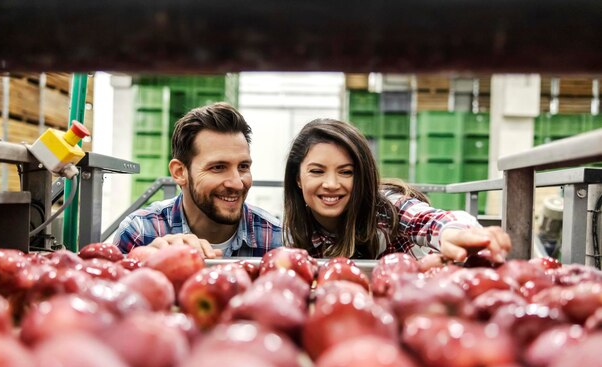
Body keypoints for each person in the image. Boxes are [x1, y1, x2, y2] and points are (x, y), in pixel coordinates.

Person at [283, 118, 511, 263]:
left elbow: (430, 221)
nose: (331, 184)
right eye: (317, 171)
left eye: (346, 172)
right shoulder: (297, 231)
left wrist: (456, 233)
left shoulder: (386, 210)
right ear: (298, 179)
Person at [114, 102, 283, 258]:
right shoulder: (140, 233)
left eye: (243, 166)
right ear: (180, 172)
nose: (237, 183)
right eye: (218, 167)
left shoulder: (275, 238)